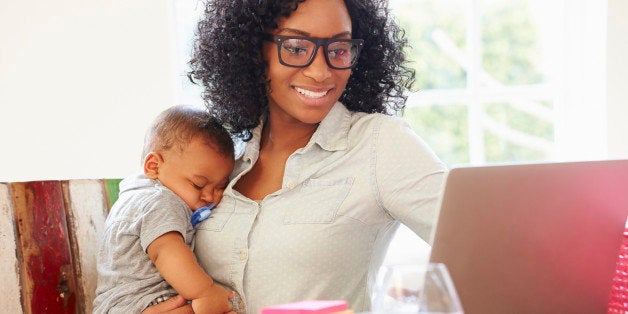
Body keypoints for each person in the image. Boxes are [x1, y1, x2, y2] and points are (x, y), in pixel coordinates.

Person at [147, 0, 447, 313]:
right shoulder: (220, 152)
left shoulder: (379, 144)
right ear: (253, 50)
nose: (320, 72)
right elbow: (139, 251)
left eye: (339, 49)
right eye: (295, 47)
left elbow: (487, 247)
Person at [93, 105, 237, 314]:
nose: (209, 196)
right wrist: (204, 293)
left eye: (220, 187)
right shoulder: (160, 200)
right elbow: (165, 250)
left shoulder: (135, 196)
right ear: (153, 166)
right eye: (198, 185)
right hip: (143, 303)